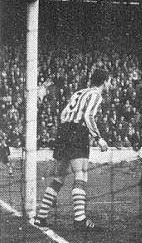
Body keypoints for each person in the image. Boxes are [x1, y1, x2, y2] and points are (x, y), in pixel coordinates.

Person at [33, 69, 110, 230]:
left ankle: (40, 217)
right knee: (81, 172)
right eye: (109, 81)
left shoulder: (79, 92)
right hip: (77, 132)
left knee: (59, 176)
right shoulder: (96, 95)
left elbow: (63, 113)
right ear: (104, 82)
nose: (110, 84)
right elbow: (88, 116)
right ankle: (80, 219)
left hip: (63, 131)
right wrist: (98, 138)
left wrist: (65, 131)